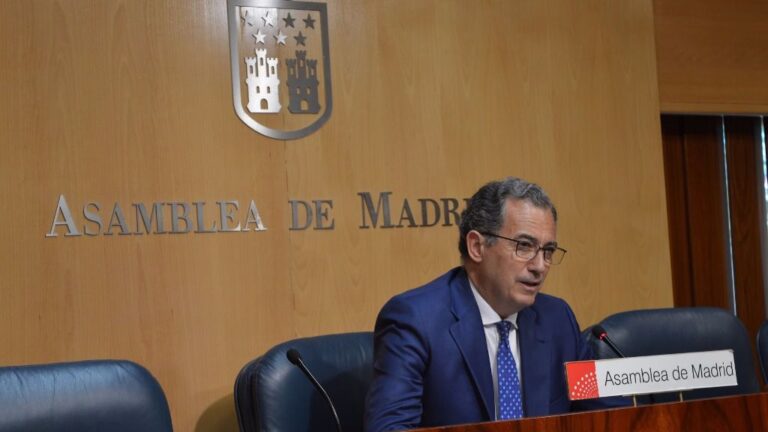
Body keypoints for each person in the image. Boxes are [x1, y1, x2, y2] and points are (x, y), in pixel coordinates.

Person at [364, 177, 626, 432]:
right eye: (524, 246)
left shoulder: (557, 319)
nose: (539, 266)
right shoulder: (416, 320)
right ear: (477, 246)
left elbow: (608, 414)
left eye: (548, 251)